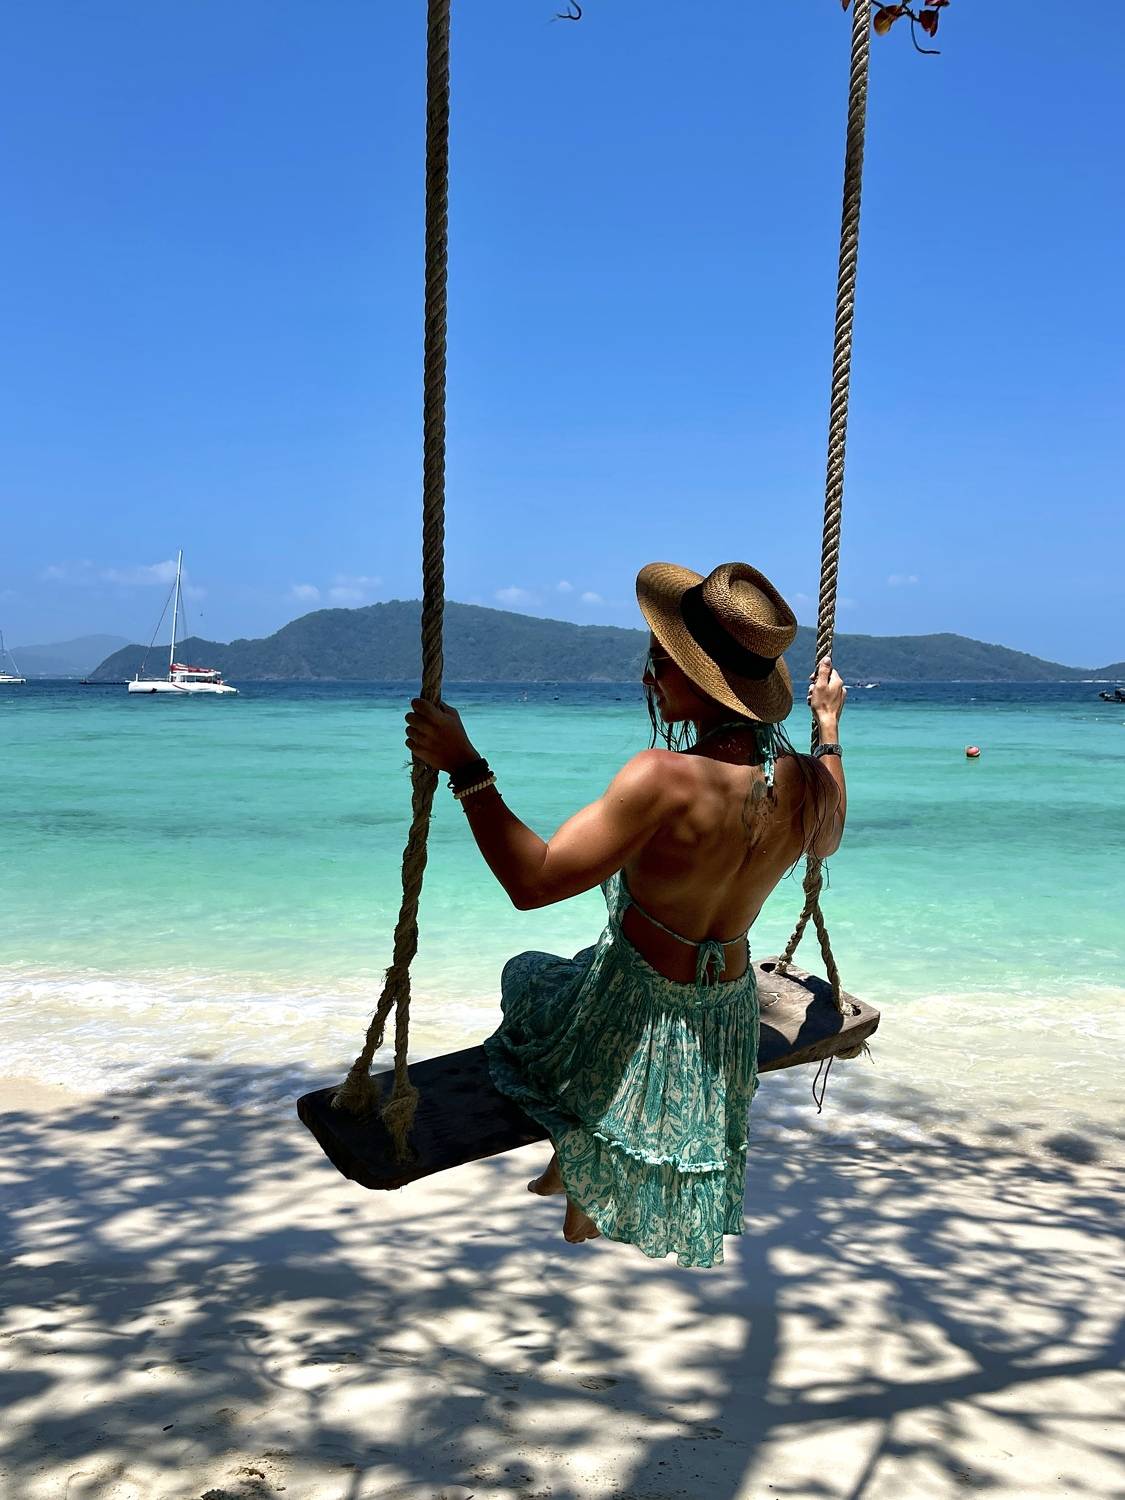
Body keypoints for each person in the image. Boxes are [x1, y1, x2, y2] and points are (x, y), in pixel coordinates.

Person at [404, 561, 846, 1268]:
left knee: (530, 981)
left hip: (631, 1009)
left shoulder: (662, 778)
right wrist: (827, 730)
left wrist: (466, 767)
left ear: (700, 679)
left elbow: (532, 884)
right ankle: (576, 1173)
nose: (648, 676)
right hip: (724, 1015)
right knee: (574, 974)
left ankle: (581, 1168)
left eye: (661, 663)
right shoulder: (804, 783)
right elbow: (826, 839)